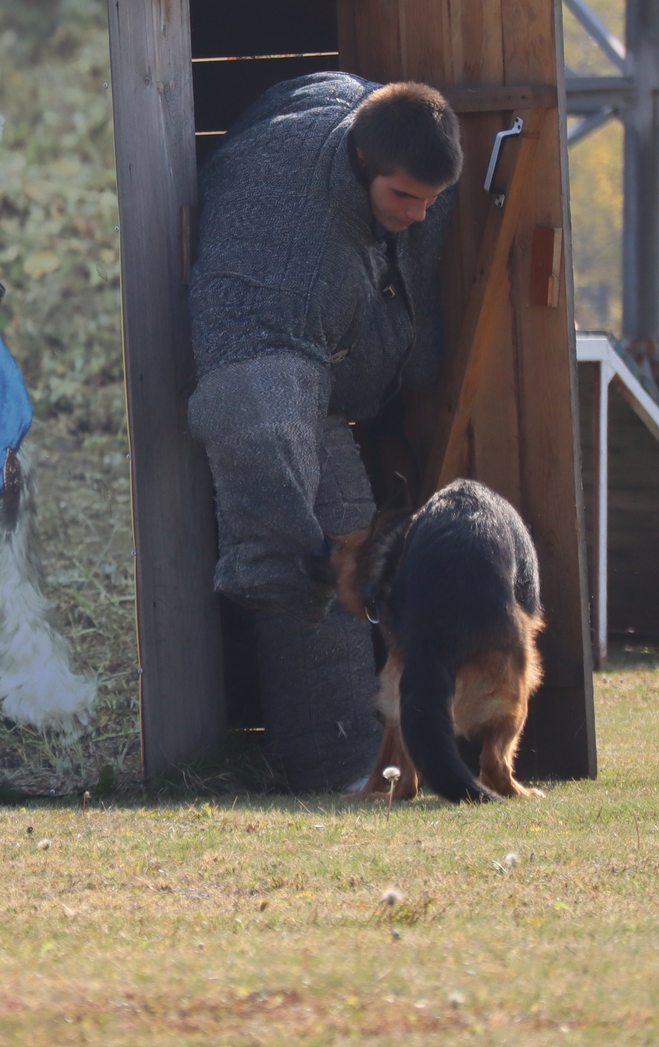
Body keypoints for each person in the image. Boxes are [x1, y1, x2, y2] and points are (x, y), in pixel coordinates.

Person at [188, 72, 463, 791]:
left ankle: (352, 775)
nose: (421, 215)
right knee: (312, 580)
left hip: (328, 378)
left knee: (345, 574)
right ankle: (332, 771)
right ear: (363, 162)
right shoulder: (284, 243)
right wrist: (282, 553)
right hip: (279, 376)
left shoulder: (409, 157)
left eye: (432, 199)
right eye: (405, 198)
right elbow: (246, 400)